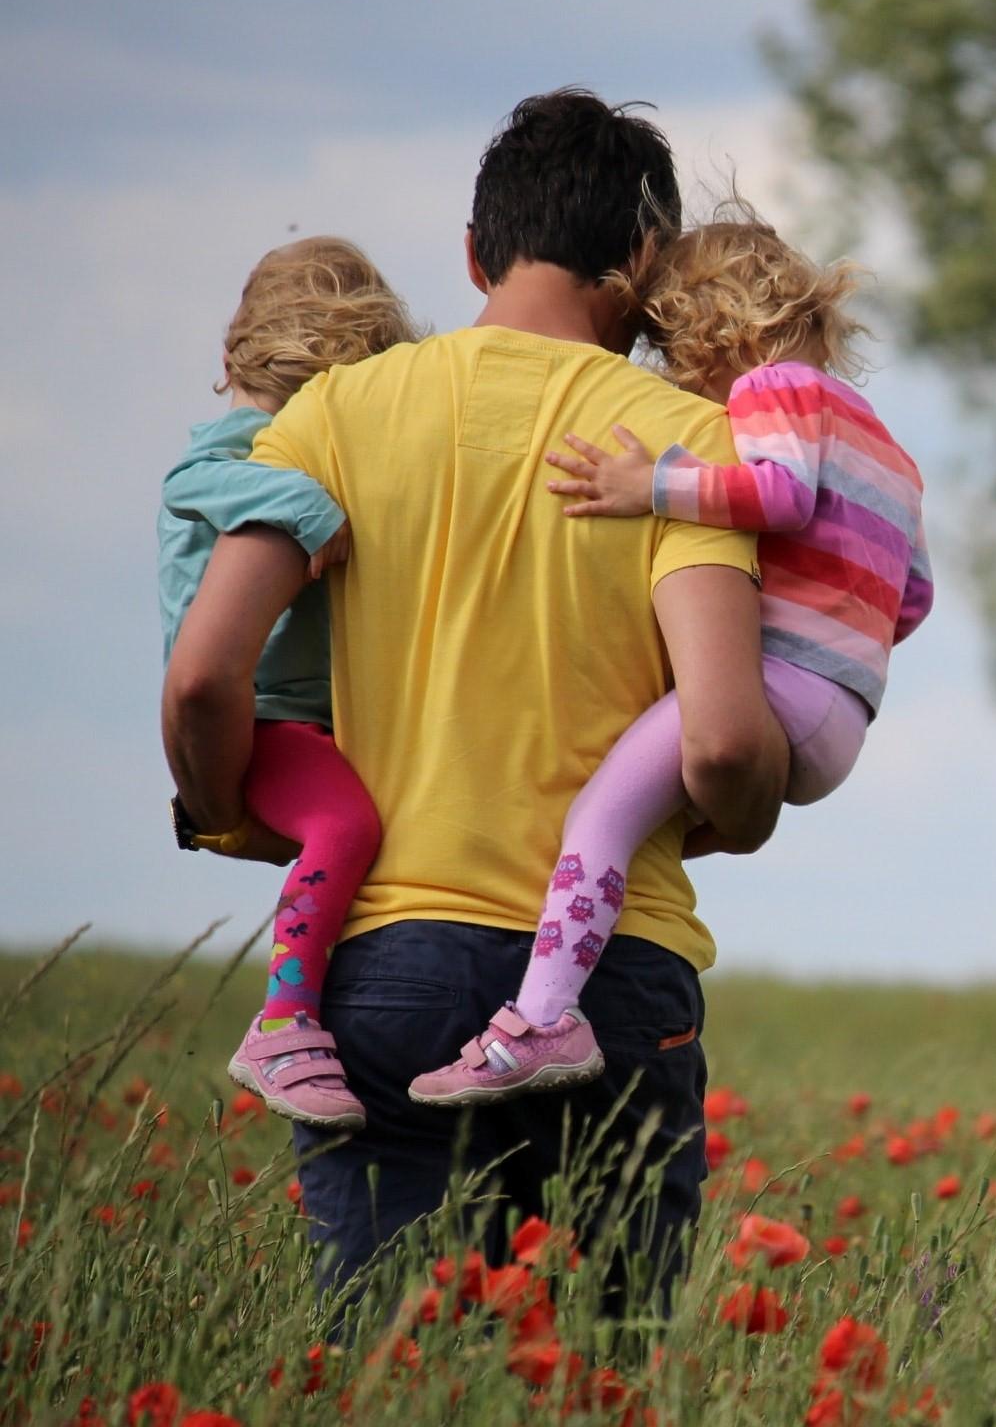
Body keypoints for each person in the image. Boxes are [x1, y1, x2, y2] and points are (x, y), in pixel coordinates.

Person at [161, 89, 788, 1292]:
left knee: (392, 1372)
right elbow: (718, 742)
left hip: (386, 963)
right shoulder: (682, 445)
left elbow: (201, 677)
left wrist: (232, 811)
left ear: (472, 251)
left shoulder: (332, 416)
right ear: (645, 260)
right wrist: (744, 814)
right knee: (605, 1371)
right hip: (612, 977)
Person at [409, 213, 933, 1106]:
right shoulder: (887, 446)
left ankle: (541, 1020)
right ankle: (570, 973)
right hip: (844, 713)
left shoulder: (774, 390)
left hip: (779, 687)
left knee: (598, 819)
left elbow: (777, 493)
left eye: (672, 349)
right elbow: (911, 597)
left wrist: (646, 485)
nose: (677, 377)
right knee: (645, 821)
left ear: (711, 330)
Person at [158, 237, 419, 1130]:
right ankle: (285, 1021)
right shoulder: (242, 447)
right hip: (265, 719)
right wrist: (309, 507)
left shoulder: (280, 437)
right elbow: (193, 479)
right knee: (347, 824)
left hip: (308, 719)